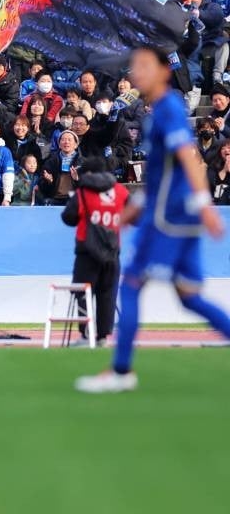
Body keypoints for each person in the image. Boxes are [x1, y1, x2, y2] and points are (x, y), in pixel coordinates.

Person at [77, 47, 230, 393]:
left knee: (130, 284)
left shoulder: (169, 109)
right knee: (189, 295)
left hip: (169, 218)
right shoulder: (157, 110)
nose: (137, 73)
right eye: (134, 67)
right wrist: (136, 205)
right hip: (174, 213)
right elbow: (164, 173)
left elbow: (187, 157)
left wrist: (205, 204)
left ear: (164, 71)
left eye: (145, 66)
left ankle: (120, 371)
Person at [60, 157, 127, 346]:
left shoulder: (82, 193)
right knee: (108, 294)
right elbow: (134, 216)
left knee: (83, 293)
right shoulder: (120, 191)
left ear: (87, 174)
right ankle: (103, 337)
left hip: (87, 251)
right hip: (113, 250)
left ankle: (86, 335)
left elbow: (68, 218)